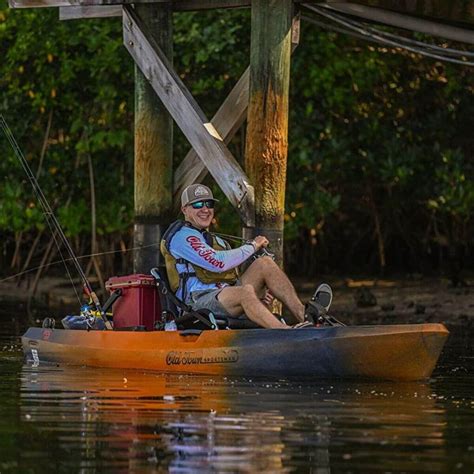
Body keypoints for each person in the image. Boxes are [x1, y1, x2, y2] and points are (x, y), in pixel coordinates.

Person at [160, 184, 332, 329]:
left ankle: (306, 316)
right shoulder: (182, 237)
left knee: (264, 263)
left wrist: (260, 301)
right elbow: (217, 263)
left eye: (209, 204)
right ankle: (284, 332)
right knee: (245, 292)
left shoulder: (216, 239)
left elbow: (231, 277)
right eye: (197, 205)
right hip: (197, 301)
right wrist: (252, 246)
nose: (205, 209)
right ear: (184, 209)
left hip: (224, 295)